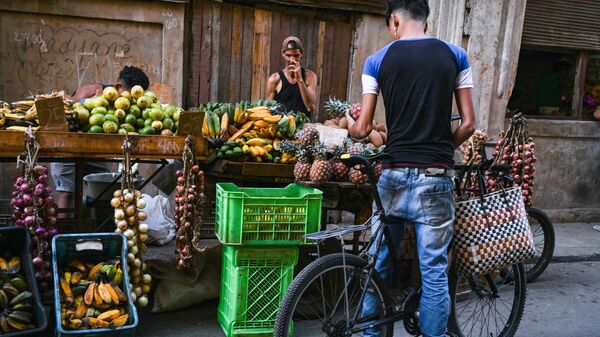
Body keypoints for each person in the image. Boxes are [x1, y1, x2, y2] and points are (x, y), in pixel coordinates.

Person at [346, 1, 475, 336]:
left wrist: (351, 119)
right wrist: (443, 149)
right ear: (426, 23)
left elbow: (361, 131)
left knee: (379, 264)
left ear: (394, 21)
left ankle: (370, 333)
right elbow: (470, 123)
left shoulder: (377, 60)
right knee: (433, 271)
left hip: (393, 177)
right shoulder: (455, 55)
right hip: (435, 179)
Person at [52, 66, 150, 216]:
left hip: (94, 150)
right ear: (118, 87)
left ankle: (99, 231)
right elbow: (67, 112)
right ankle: (62, 235)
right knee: (67, 192)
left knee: (104, 189)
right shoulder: (90, 91)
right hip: (69, 147)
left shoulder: (124, 107)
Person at [266, 36, 318, 117]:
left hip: (304, 127)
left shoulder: (310, 77)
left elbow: (310, 107)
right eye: (288, 55)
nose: (292, 60)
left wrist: (300, 79)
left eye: (296, 55)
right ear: (282, 53)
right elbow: (268, 110)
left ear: (302, 53)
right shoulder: (275, 79)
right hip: (283, 126)